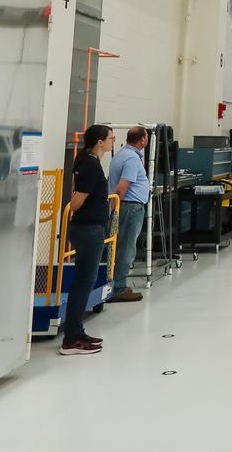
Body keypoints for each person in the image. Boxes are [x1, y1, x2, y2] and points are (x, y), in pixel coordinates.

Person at [62, 125, 114, 355]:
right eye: (111, 138)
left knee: (84, 282)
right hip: (88, 230)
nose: (113, 141)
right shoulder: (91, 165)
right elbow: (76, 202)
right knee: (83, 283)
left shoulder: (90, 163)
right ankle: (71, 338)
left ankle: (76, 330)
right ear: (99, 141)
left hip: (90, 228)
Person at [106, 126, 149, 304]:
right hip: (129, 209)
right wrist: (115, 210)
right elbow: (122, 187)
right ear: (142, 140)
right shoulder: (131, 158)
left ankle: (114, 285)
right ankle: (118, 288)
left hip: (124, 207)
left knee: (119, 246)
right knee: (126, 249)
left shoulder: (122, 154)